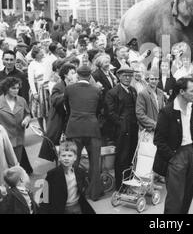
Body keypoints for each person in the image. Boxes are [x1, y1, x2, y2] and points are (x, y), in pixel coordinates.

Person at [153, 77, 193, 214]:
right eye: (192, 91)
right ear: (181, 92)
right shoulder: (167, 111)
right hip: (176, 155)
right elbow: (158, 140)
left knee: (187, 195)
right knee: (175, 198)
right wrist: (172, 158)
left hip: (191, 152)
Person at [64, 65, 103, 201]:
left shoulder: (69, 89)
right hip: (92, 128)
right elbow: (99, 110)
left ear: (77, 75)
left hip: (75, 127)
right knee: (95, 162)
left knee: (73, 161)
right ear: (90, 75)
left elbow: (67, 109)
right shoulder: (97, 90)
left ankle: (72, 193)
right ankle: (95, 193)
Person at [105, 65, 139, 190]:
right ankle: (120, 186)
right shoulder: (113, 92)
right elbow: (110, 113)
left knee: (132, 156)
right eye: (125, 76)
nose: (128, 78)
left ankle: (129, 182)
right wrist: (122, 124)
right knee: (122, 158)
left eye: (130, 76)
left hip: (133, 129)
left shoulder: (133, 90)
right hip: (121, 131)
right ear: (119, 77)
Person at [39, 63, 77, 162]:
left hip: (71, 119)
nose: (75, 75)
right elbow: (55, 100)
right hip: (59, 119)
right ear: (65, 75)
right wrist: (67, 93)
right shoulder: (58, 86)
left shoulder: (76, 85)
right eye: (72, 73)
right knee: (58, 145)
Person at [43, 141, 95, 214]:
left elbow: (83, 188)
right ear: (59, 157)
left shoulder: (80, 172)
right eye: (63, 155)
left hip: (77, 206)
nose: (66, 158)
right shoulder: (52, 174)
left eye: (70, 155)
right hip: (60, 209)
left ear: (75, 157)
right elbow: (44, 196)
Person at [135, 70, 166, 182]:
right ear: (147, 80)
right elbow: (140, 114)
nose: (154, 81)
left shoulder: (160, 92)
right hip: (148, 130)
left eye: (156, 78)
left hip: (160, 129)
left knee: (158, 153)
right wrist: (154, 124)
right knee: (146, 155)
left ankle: (157, 175)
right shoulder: (143, 93)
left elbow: (162, 110)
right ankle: (145, 180)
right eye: (152, 79)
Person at [0, 77, 32, 162]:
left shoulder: (22, 100)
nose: (16, 90)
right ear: (6, 88)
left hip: (18, 138)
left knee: (17, 163)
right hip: (4, 139)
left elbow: (28, 114)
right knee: (5, 165)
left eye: (17, 88)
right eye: (13, 88)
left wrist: (26, 120)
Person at [28, 46, 50, 132]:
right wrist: (34, 93)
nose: (42, 54)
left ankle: (48, 129)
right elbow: (31, 80)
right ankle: (42, 128)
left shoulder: (45, 62)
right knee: (39, 112)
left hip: (46, 87)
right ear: (36, 54)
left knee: (47, 110)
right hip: (38, 89)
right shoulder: (32, 65)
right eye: (40, 52)